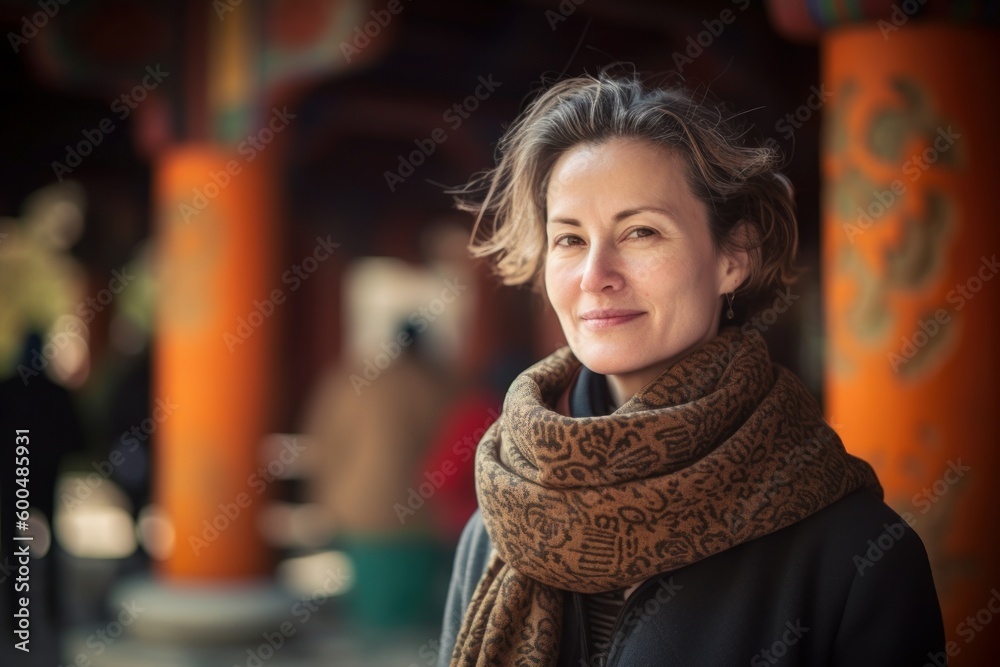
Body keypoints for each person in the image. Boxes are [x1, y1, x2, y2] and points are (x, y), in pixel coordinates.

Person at [435, 72, 944, 667]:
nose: (596, 274)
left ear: (735, 257)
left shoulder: (854, 553)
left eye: (641, 231)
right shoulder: (501, 522)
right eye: (569, 239)